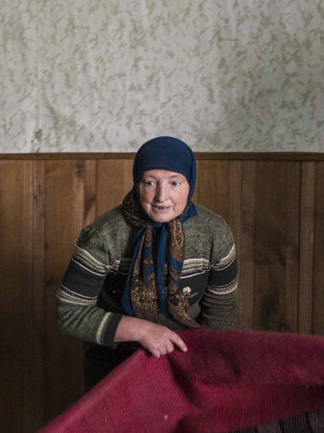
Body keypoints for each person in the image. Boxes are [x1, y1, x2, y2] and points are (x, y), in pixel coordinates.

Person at [56, 136, 239, 388]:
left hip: (188, 358)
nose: (162, 197)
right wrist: (142, 331)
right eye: (150, 182)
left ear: (191, 182)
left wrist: (207, 368)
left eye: (175, 183)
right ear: (137, 182)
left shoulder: (214, 233)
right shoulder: (104, 236)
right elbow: (69, 313)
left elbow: (221, 312)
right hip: (114, 363)